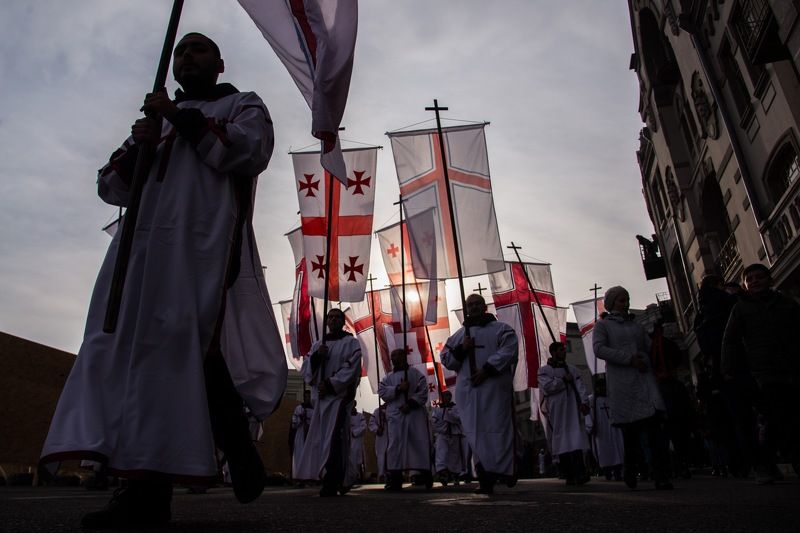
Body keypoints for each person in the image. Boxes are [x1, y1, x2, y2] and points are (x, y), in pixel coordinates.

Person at [39, 33, 286, 529]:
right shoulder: (155, 122)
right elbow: (111, 186)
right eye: (180, 52)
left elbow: (245, 153)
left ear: (219, 62)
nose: (186, 57)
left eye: (197, 49)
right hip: (140, 248)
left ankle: (188, 466)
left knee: (179, 346)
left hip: (200, 245)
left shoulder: (243, 104)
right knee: (125, 347)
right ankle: (149, 483)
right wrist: (142, 147)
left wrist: (178, 120)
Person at [721, 263, 800, 484]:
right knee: (773, 418)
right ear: (745, 286)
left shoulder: (786, 304)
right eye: (750, 279)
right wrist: (728, 369)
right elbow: (730, 340)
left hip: (791, 368)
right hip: (763, 372)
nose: (755, 281)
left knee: (793, 416)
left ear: (770, 280)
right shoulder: (741, 308)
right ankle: (765, 464)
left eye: (759, 277)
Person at [593, 286, 673, 490]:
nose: (625, 303)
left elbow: (647, 347)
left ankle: (661, 475)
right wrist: (628, 359)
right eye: (621, 300)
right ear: (611, 304)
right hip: (623, 384)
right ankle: (631, 470)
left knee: (655, 431)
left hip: (643, 381)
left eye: (626, 299)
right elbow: (599, 349)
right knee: (631, 435)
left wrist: (655, 346)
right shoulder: (603, 326)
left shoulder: (635, 326)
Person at [441, 293, 519, 495]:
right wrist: (461, 349)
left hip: (494, 390)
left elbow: (509, 350)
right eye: (470, 305)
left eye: (477, 304)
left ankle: (506, 469)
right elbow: (447, 359)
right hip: (470, 393)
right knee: (475, 434)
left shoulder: (501, 329)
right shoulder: (459, 335)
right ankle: (485, 478)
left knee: (498, 430)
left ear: (485, 307)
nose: (474, 307)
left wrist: (487, 370)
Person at [295, 308, 362, 496]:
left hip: (338, 399)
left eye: (336, 317)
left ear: (343, 321)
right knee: (323, 440)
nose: (333, 320)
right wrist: (317, 357)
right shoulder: (318, 345)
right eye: (330, 317)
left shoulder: (351, 343)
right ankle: (329, 477)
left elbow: (352, 366)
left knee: (335, 439)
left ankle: (334, 480)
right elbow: (306, 369)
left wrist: (330, 384)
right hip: (321, 401)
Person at [378, 349, 433, 490]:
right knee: (395, 445)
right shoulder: (387, 378)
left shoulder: (416, 374)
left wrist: (411, 404)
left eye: (396, 355)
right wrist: (398, 388)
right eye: (392, 356)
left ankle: (425, 476)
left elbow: (423, 392)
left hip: (414, 416)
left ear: (404, 356)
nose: (394, 359)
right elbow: (383, 392)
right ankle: (396, 480)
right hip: (396, 415)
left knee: (418, 443)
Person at [538, 341, 591, 485]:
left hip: (573, 408)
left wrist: (584, 402)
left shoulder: (572, 369)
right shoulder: (544, 371)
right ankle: (568, 473)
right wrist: (563, 380)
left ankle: (580, 472)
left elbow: (580, 386)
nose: (564, 352)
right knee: (563, 441)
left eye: (564, 350)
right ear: (553, 352)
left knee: (576, 439)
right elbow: (548, 387)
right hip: (558, 410)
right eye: (561, 350)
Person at [585, 376, 624, 481]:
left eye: (604, 386)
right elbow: (587, 414)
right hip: (601, 429)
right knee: (603, 450)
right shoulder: (592, 399)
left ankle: (617, 471)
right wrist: (590, 426)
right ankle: (607, 470)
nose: (602, 389)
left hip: (613, 428)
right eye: (600, 387)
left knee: (617, 449)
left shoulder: (611, 397)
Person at [431, 390, 466, 486]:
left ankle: (455, 475)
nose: (447, 398)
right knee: (441, 454)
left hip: (454, 434)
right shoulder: (438, 409)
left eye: (448, 396)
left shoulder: (455, 407)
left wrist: (449, 415)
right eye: (445, 396)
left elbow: (459, 419)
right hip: (443, 435)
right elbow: (434, 422)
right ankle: (443, 474)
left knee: (454, 456)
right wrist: (443, 426)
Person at [289, 390, 314, 482]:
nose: (307, 398)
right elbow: (294, 422)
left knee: (310, 455)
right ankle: (299, 476)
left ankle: (310, 477)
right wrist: (300, 418)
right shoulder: (299, 408)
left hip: (310, 435)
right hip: (300, 433)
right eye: (306, 397)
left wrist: (309, 420)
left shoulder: (314, 409)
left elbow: (316, 422)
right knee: (300, 454)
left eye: (309, 397)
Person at [346, 402, 367, 486]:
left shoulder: (360, 416)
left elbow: (363, 426)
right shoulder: (346, 416)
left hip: (356, 440)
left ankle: (357, 476)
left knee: (357, 460)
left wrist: (354, 432)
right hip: (347, 441)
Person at [368, 404, 389, 483]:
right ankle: (381, 475)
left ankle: (390, 475)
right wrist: (377, 429)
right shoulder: (377, 411)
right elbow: (371, 423)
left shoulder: (394, 409)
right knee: (381, 456)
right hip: (381, 436)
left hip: (392, 436)